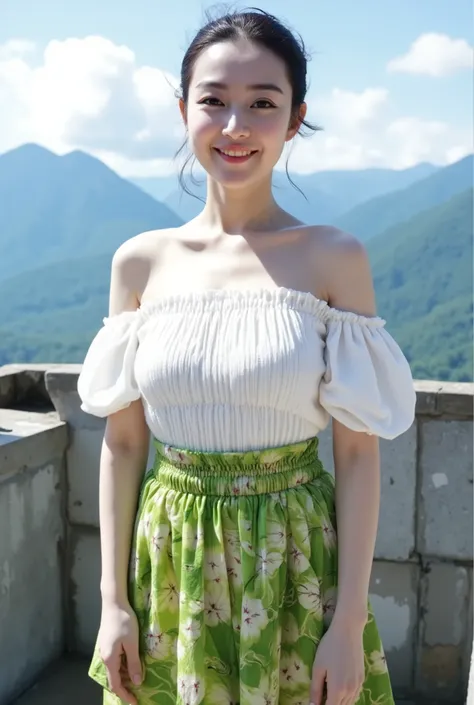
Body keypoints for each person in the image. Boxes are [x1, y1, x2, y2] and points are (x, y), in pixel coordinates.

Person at [77, 8, 416, 705]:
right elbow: (123, 441)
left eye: (263, 103)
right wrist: (113, 602)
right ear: (183, 110)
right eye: (214, 100)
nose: (236, 125)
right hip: (168, 562)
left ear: (294, 119)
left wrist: (348, 620)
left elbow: (356, 454)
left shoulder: (334, 258)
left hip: (295, 565)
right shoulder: (139, 262)